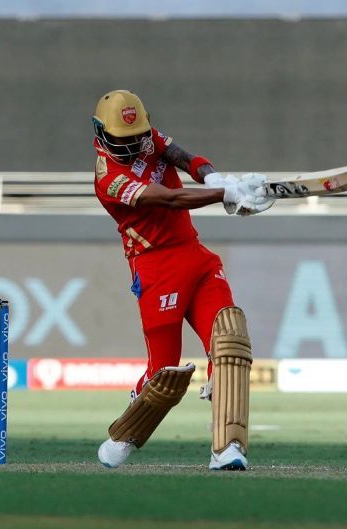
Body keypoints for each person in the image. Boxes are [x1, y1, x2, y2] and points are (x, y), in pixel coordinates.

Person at [91, 89, 273, 471]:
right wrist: (224, 193)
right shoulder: (108, 179)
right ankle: (124, 432)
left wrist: (216, 177)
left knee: (229, 344)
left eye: (137, 136)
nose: (133, 146)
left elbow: (183, 158)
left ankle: (227, 448)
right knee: (164, 374)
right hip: (156, 268)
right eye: (122, 141)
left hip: (194, 255)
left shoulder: (146, 138)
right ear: (101, 136)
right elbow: (169, 199)